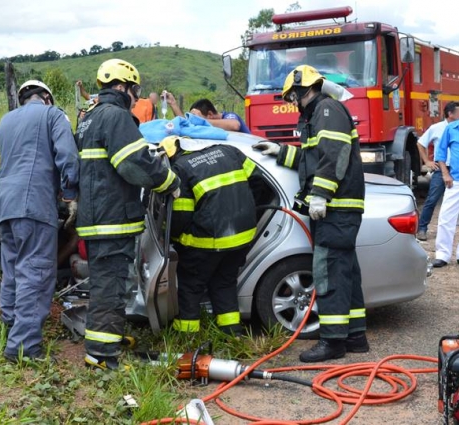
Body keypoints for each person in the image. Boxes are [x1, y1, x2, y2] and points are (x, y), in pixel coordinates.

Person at [254, 65, 367, 363]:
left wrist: (321, 195)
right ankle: (355, 336)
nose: (291, 101)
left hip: (335, 208)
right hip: (338, 209)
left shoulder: (326, 110)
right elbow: (311, 159)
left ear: (303, 89)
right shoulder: (319, 114)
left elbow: (334, 156)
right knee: (345, 273)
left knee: (328, 273)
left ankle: (332, 342)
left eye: (292, 95)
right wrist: (278, 152)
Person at [75, 59, 181, 370]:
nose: (136, 96)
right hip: (111, 219)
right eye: (134, 90)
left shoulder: (89, 117)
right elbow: (134, 163)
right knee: (110, 287)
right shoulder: (117, 117)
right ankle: (101, 354)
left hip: (96, 216)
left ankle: (110, 337)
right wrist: (168, 181)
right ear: (123, 87)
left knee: (106, 284)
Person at [0, 80, 79, 363]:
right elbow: (67, 156)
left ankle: (10, 327)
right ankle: (24, 349)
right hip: (34, 204)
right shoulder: (52, 114)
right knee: (37, 272)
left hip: (4, 205)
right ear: (45, 97)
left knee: (13, 269)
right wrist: (70, 194)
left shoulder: (6, 121)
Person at [159, 137, 265, 336]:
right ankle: (232, 331)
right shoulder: (229, 151)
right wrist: (248, 210)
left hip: (207, 241)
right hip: (242, 236)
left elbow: (181, 216)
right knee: (224, 281)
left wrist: (171, 237)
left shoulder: (181, 168)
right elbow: (259, 182)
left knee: (192, 285)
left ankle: (187, 334)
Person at [416, 101, 459, 241]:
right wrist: (427, 161)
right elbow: (421, 143)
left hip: (456, 170)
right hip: (442, 169)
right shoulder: (437, 128)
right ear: (450, 114)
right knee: (432, 199)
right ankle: (422, 228)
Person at [432, 118, 459, 267]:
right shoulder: (452, 129)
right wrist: (445, 174)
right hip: (455, 180)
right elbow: (440, 153)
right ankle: (442, 255)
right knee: (446, 218)